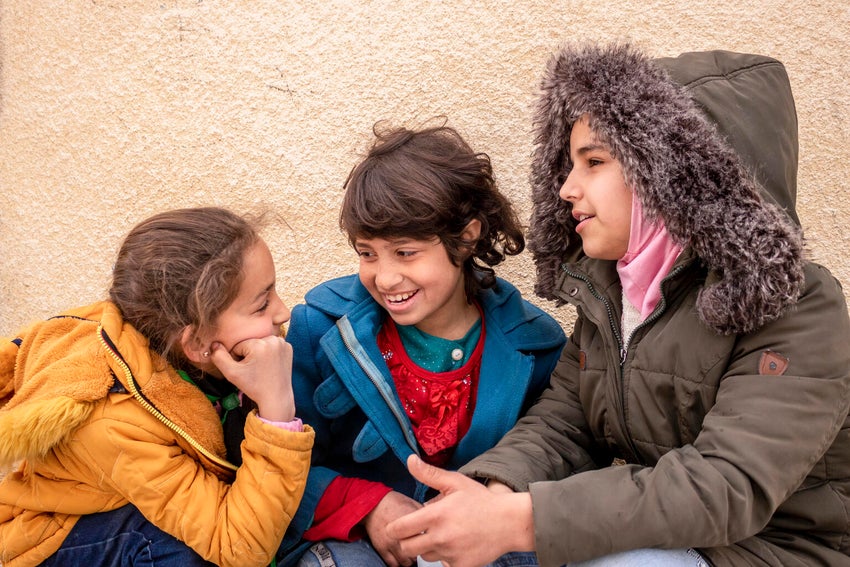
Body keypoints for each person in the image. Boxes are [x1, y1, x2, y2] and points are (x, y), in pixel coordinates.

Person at [384, 44, 850, 567]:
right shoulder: (612, 291)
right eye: (568, 164)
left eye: (595, 162)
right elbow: (564, 422)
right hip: (661, 535)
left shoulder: (799, 305)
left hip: (773, 550)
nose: (566, 187)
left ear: (676, 173)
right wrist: (491, 494)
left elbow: (726, 485)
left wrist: (523, 520)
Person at [280, 122, 567, 567]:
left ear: (466, 237)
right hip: (356, 544)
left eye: (406, 252)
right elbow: (279, 471)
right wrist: (366, 506)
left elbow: (555, 465)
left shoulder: (537, 347)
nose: (385, 277)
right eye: (367, 253)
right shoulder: (319, 329)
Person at [0, 207, 315, 567]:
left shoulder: (203, 360)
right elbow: (240, 548)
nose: (283, 311)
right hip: (52, 544)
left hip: (126, 502)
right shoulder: (114, 422)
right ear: (196, 342)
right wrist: (275, 414)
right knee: (179, 551)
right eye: (261, 305)